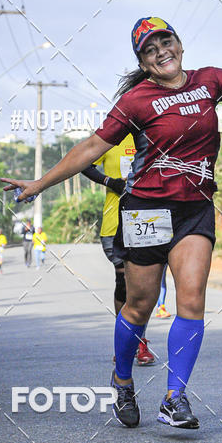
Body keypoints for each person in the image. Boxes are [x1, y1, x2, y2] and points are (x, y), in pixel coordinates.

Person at [2, 16, 222, 429]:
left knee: (192, 300)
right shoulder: (136, 101)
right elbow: (93, 147)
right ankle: (123, 380)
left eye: (165, 42)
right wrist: (40, 183)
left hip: (195, 209)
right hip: (145, 210)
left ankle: (174, 397)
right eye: (150, 50)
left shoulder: (209, 81)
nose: (160, 51)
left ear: (180, 44)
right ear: (145, 63)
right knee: (139, 304)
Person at [81, 136, 155, 365]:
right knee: (125, 281)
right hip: (114, 225)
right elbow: (84, 164)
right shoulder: (112, 139)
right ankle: (127, 343)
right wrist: (110, 181)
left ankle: (136, 342)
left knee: (142, 287)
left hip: (146, 222)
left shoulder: (152, 137)